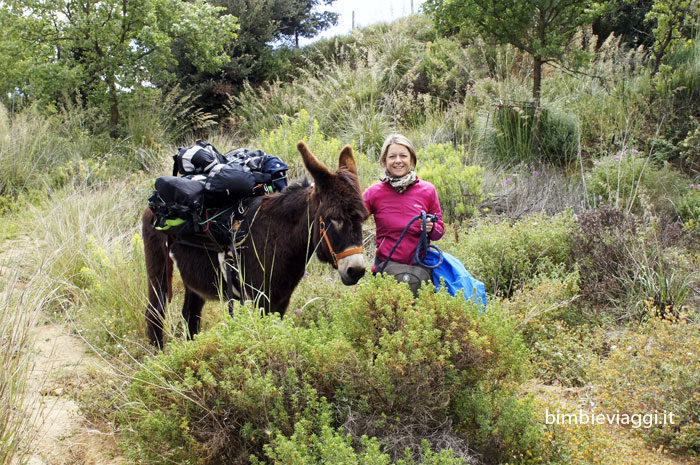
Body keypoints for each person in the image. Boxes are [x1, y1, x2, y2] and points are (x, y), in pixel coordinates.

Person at [363, 134, 445, 276]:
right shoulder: (373, 193)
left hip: (420, 271)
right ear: (384, 160)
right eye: (392, 156)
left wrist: (431, 228)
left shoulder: (428, 190)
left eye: (403, 156)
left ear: (411, 159)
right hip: (386, 270)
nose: (398, 161)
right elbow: (351, 221)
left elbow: (439, 233)